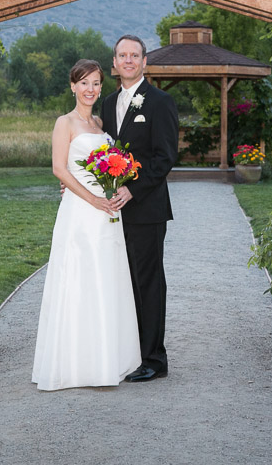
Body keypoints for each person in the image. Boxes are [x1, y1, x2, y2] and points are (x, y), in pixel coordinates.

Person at [32, 59, 141, 391]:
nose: (90, 89)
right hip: (81, 212)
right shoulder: (64, 123)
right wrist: (92, 199)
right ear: (73, 86)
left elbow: (109, 164)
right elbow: (59, 169)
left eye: (95, 83)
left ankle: (105, 361)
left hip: (107, 212)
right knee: (79, 278)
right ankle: (74, 365)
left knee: (105, 279)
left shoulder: (100, 123)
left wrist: (114, 187)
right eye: (84, 83)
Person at [103, 35, 179, 382]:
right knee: (123, 281)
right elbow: (101, 155)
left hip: (147, 209)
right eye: (123, 55)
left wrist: (132, 190)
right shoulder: (107, 104)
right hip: (112, 211)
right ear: (114, 63)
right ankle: (130, 353)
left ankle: (154, 359)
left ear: (145, 61)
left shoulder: (160, 102)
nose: (129, 60)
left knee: (148, 283)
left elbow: (165, 158)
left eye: (135, 55)